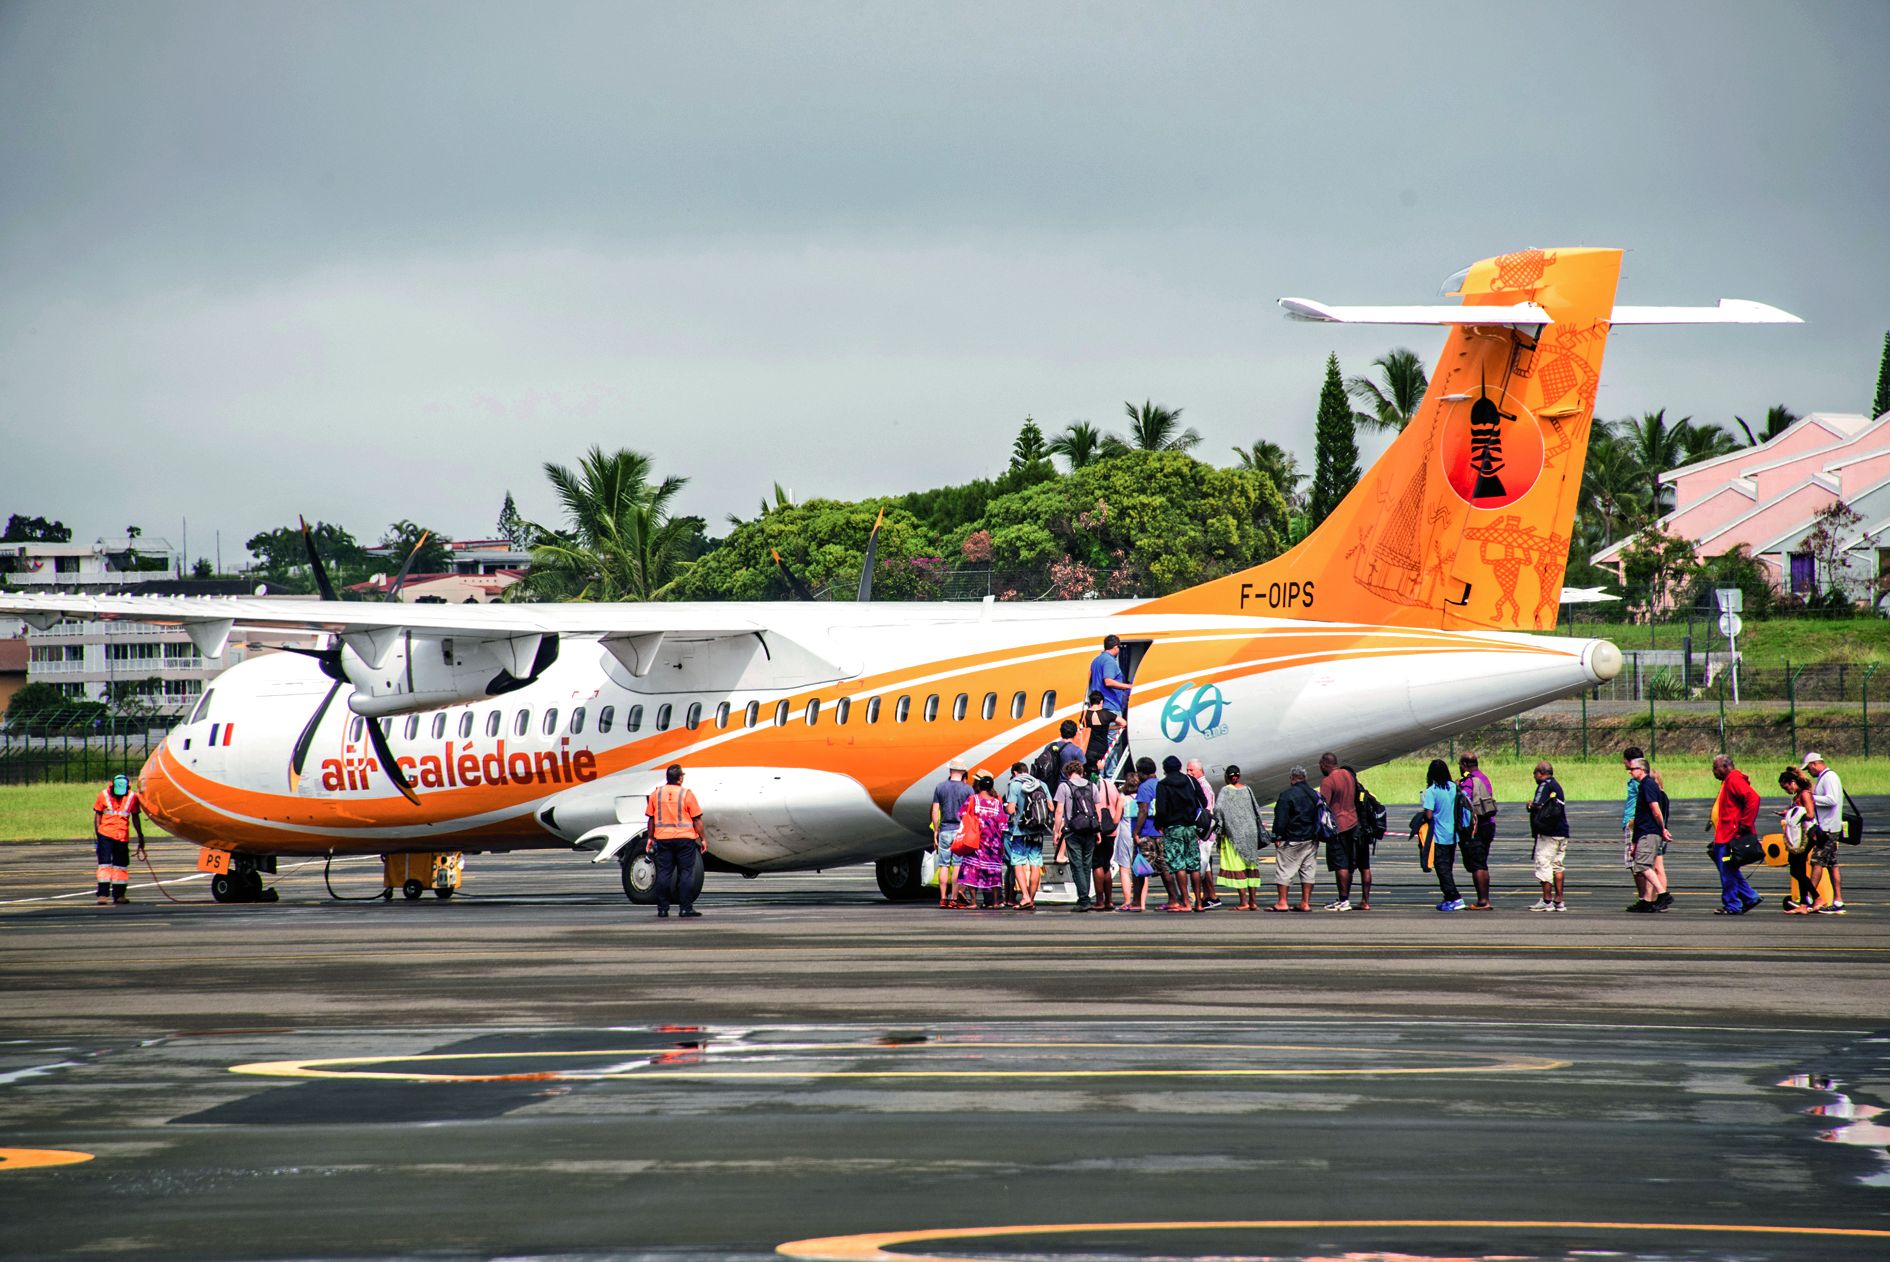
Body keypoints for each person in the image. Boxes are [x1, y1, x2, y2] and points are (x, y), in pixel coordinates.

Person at [645, 764, 706, 919]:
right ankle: (685, 908)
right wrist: (703, 838)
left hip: (663, 838)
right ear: (680, 778)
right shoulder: (687, 794)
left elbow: (651, 819)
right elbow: (697, 819)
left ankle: (663, 909)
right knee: (686, 873)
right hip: (685, 839)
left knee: (664, 873)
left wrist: (650, 838)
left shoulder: (656, 794)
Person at [1707, 753, 1762, 916]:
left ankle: (1733, 904)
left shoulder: (1734, 780)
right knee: (1729, 868)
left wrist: (1746, 823)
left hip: (1729, 838)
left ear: (1725, 767)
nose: (1713, 772)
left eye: (1715, 768)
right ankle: (1749, 896)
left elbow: (1753, 798)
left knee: (1726, 868)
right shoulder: (1729, 780)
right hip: (1724, 836)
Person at [1621, 745, 1671, 908]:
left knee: (1642, 865)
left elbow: (1655, 810)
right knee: (1651, 865)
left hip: (1647, 831)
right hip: (1645, 830)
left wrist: (1662, 828)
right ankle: (1649, 900)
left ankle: (1659, 896)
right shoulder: (1646, 786)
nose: (1630, 771)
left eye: (1633, 768)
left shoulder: (1646, 785)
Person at [1053, 760, 1105, 912]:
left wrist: (1057, 831)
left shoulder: (1064, 786)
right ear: (1081, 771)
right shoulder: (1092, 785)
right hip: (1090, 829)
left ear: (1067, 772)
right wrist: (1098, 830)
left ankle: (1083, 899)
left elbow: (1059, 811)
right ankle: (1085, 897)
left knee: (1076, 865)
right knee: (1086, 865)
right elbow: (1098, 810)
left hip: (1073, 830)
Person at [1214, 764, 1266, 911]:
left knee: (1238, 867)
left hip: (1234, 834)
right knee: (1251, 866)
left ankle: (1243, 902)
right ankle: (1253, 901)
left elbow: (1218, 809)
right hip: (1250, 833)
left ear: (1226, 777)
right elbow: (1256, 809)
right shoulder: (1247, 789)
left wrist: (1220, 826)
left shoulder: (1225, 791)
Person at [1152, 755, 1202, 912]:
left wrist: (1159, 824)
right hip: (1190, 826)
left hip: (1173, 827)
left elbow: (1160, 808)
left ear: (1165, 770)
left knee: (1178, 864)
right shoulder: (1190, 781)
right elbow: (1203, 801)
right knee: (1194, 865)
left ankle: (1186, 902)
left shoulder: (1163, 784)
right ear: (1180, 767)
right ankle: (1199, 902)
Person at [1268, 766, 1321, 912]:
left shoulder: (1287, 795)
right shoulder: (1314, 794)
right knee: (1308, 871)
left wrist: (1277, 836)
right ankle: (1305, 902)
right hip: (1310, 839)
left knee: (1285, 870)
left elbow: (1281, 819)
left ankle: (1282, 902)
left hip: (1291, 838)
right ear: (1305, 778)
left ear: (1292, 778)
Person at [954, 770, 1009, 908]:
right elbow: (1003, 823)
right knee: (994, 872)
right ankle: (996, 902)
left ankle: (973, 902)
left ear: (979, 786)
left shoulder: (973, 799)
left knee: (972, 870)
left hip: (977, 841)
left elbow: (962, 814)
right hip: (994, 843)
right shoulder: (997, 803)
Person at [1003, 760, 1051, 910]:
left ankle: (1024, 896)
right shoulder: (1041, 784)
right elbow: (1050, 806)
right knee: (1035, 864)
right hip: (1037, 831)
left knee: (1018, 863)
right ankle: (1032, 899)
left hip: (1020, 831)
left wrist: (1008, 808)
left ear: (1015, 773)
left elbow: (1011, 810)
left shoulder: (1015, 784)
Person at [92, 773, 145, 905]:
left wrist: (140, 836)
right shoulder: (103, 795)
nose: (120, 796)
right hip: (105, 834)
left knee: (121, 866)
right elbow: (97, 815)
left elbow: (135, 817)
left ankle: (119, 895)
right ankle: (103, 895)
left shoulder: (132, 797)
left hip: (122, 836)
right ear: (112, 787)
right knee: (104, 865)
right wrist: (98, 835)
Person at [1317, 753, 1362, 912]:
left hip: (1338, 826)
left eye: (1320, 765)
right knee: (1349, 864)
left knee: (1340, 864)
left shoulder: (1328, 781)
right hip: (1353, 822)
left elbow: (1324, 805)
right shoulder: (1348, 775)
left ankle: (1344, 901)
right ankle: (1344, 898)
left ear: (1325, 764)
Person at [1804, 752, 1846, 914]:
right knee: (1831, 864)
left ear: (1814, 764)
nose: (1809, 772)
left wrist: (1812, 798)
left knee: (1817, 861)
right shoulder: (1825, 777)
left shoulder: (1830, 777)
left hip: (1828, 829)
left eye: (1809, 768)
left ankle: (1809, 898)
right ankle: (1838, 901)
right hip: (1830, 827)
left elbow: (1832, 799)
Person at [1418, 758, 1463, 911]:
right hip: (1453, 834)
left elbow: (1429, 815)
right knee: (1447, 867)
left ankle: (1455, 897)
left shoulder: (1432, 791)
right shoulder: (1453, 787)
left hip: (1439, 835)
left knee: (1441, 868)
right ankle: (1448, 898)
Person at [1525, 760, 1569, 912]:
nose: (1534, 777)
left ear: (1541, 773)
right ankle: (1559, 900)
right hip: (1562, 831)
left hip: (1548, 833)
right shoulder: (1557, 785)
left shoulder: (1544, 785)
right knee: (1558, 866)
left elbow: (1537, 806)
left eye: (1535, 773)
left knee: (1544, 864)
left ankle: (1547, 900)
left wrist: (1529, 805)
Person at [1778, 766, 1824, 912]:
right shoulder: (1797, 796)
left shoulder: (1804, 794)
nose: (1787, 791)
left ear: (1792, 782)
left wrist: (1793, 815)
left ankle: (1817, 898)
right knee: (1798, 869)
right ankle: (1804, 904)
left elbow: (1810, 814)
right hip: (1799, 835)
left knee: (1796, 871)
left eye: (1786, 787)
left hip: (1808, 835)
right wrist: (1788, 813)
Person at [930, 758, 974, 909]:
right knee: (957, 865)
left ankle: (943, 898)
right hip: (960, 831)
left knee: (943, 865)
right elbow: (972, 812)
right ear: (963, 773)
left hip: (945, 829)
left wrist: (936, 830)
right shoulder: (968, 789)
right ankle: (954, 898)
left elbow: (935, 810)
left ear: (950, 771)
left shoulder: (940, 787)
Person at [1456, 752, 1497, 910]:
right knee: (1483, 863)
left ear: (1465, 765)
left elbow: (1465, 802)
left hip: (1476, 826)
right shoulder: (1484, 778)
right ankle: (1484, 898)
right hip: (1489, 824)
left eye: (1460, 765)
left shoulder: (1469, 781)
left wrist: (1458, 787)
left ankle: (1483, 901)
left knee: (1477, 864)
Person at [1124, 756, 1161, 912]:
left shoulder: (1145, 787)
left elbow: (1143, 810)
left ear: (1143, 773)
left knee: (1138, 869)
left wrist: (1136, 831)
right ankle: (1176, 898)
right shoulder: (1160, 784)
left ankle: (1136, 901)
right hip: (1160, 832)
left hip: (1146, 832)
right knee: (1164, 868)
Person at [1185, 757, 1220, 909]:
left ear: (1200, 771)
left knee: (1202, 865)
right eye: (1187, 770)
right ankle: (1209, 896)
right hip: (1206, 832)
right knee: (1205, 866)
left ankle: (1209, 896)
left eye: (1191, 770)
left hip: (1203, 832)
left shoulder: (1202, 786)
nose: (1188, 773)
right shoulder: (1200, 785)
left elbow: (1205, 810)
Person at [1088, 760, 1123, 911]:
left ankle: (1100, 900)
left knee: (1097, 865)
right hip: (1111, 830)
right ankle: (1109, 900)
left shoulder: (1089, 786)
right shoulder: (1110, 785)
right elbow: (1118, 803)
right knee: (1106, 865)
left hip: (1097, 829)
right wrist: (1115, 822)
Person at [1111, 764, 1143, 910]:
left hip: (1125, 833)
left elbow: (1116, 819)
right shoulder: (1143, 797)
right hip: (1141, 833)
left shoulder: (1123, 798)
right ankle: (1141, 902)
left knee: (1125, 868)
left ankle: (1127, 900)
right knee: (1142, 868)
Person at [1087, 633, 1132, 717]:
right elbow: (1108, 682)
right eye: (1119, 647)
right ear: (1115, 647)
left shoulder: (1096, 660)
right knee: (1113, 730)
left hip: (1098, 707)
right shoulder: (1109, 661)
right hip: (1110, 706)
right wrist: (1129, 686)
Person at [1081, 691, 1127, 770]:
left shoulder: (1084, 714)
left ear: (1090, 702)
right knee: (1100, 771)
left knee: (1088, 771)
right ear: (1101, 701)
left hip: (1088, 748)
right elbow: (1124, 723)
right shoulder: (1107, 714)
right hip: (1102, 749)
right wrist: (1108, 728)